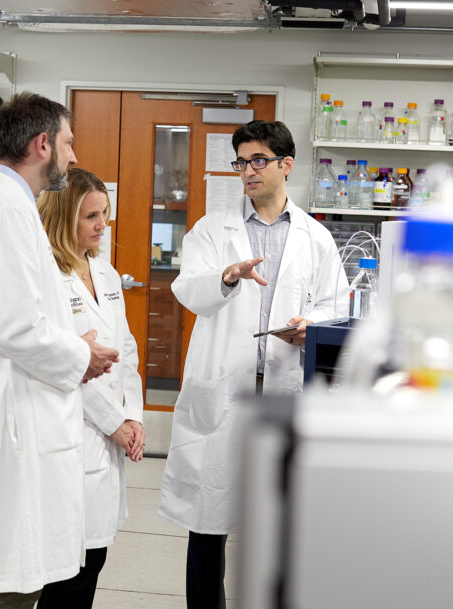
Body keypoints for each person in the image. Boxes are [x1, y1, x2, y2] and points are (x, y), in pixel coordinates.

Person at [158, 120, 348, 609]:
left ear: (286, 165)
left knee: (280, 522)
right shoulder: (212, 229)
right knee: (209, 519)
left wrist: (311, 324)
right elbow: (188, 289)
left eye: (258, 160)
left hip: (282, 388)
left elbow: (335, 304)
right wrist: (225, 276)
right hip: (224, 389)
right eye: (241, 161)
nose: (247, 171)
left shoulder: (315, 237)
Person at [0, 92, 121, 609]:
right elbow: (14, 327)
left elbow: (21, 316)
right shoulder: (6, 212)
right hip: (15, 416)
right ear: (42, 144)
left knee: (19, 571)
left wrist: (71, 345)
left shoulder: (3, 205)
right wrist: (79, 356)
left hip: (17, 408)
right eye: (68, 143)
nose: (73, 156)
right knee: (12, 581)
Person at [35, 168, 146, 609]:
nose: (103, 226)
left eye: (106, 214)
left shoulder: (105, 272)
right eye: (91, 217)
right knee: (68, 570)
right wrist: (114, 421)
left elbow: (127, 350)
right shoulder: (47, 278)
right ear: (64, 219)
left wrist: (134, 415)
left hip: (108, 437)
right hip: (71, 432)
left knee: (93, 559)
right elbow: (65, 364)